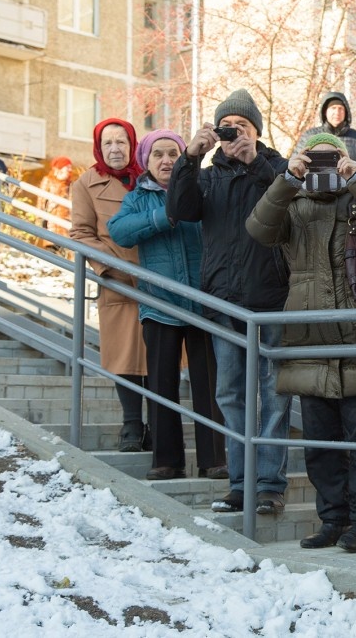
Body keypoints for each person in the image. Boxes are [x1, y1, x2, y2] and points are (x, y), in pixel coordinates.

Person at [246, 132, 356, 553]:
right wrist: (285, 178)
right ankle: (333, 518)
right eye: (315, 158)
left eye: (331, 157)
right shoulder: (291, 202)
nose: (323, 166)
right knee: (320, 442)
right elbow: (257, 229)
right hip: (309, 339)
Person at [167, 89, 292, 515]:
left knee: (275, 397)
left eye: (243, 126)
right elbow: (179, 209)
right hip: (223, 302)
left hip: (271, 299)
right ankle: (240, 484)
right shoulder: (206, 174)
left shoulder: (275, 165)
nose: (234, 133)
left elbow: (289, 201)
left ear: (257, 130)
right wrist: (189, 158)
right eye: (227, 127)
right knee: (230, 395)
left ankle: (270, 486)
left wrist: (254, 160)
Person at [107, 129, 228, 482]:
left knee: (208, 385)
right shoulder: (138, 198)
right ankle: (166, 461)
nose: (166, 160)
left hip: (203, 303)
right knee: (161, 384)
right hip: (158, 305)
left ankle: (213, 460)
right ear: (145, 161)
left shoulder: (201, 187)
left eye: (173, 153)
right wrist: (164, 216)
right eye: (157, 154)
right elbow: (120, 231)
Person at [69, 118, 149, 453]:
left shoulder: (148, 178)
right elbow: (81, 234)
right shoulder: (86, 183)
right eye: (108, 143)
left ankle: (159, 425)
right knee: (124, 358)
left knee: (158, 356)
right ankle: (132, 425)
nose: (115, 149)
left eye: (121, 142)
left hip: (158, 281)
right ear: (98, 148)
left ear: (132, 145)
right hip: (118, 284)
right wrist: (112, 267)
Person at [295, 92, 356, 175]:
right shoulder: (309, 136)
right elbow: (296, 164)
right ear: (325, 111)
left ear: (346, 112)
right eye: (333, 108)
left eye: (341, 108)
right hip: (313, 186)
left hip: (349, 187)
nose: (337, 112)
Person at [39, 156, 74, 245]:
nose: (70, 170)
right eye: (67, 167)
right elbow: (41, 201)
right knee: (51, 248)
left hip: (66, 224)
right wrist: (41, 219)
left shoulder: (71, 184)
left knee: (63, 250)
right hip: (51, 222)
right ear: (60, 168)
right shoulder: (48, 180)